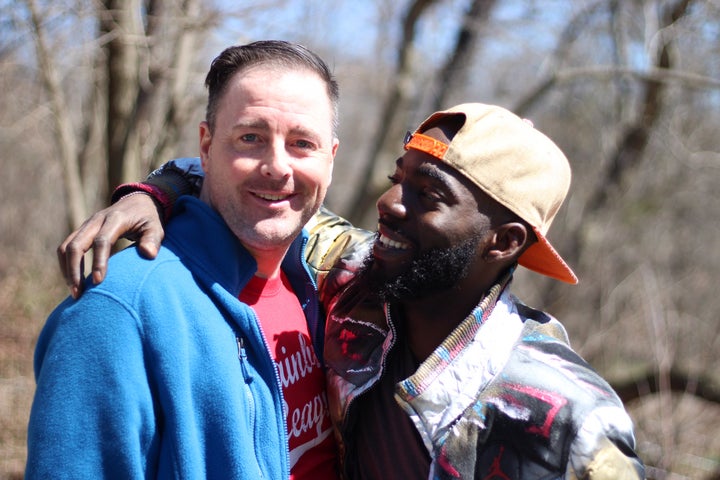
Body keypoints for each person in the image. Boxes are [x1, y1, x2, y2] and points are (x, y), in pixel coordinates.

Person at [56, 104, 646, 479]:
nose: (389, 205)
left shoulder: (567, 412)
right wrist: (149, 194)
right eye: (398, 180)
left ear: (504, 241)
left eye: (428, 194)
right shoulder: (358, 282)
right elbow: (249, 181)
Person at [28, 40, 342, 479]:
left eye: (301, 143)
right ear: (206, 147)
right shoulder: (119, 309)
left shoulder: (327, 288)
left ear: (331, 158)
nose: (277, 166)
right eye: (250, 138)